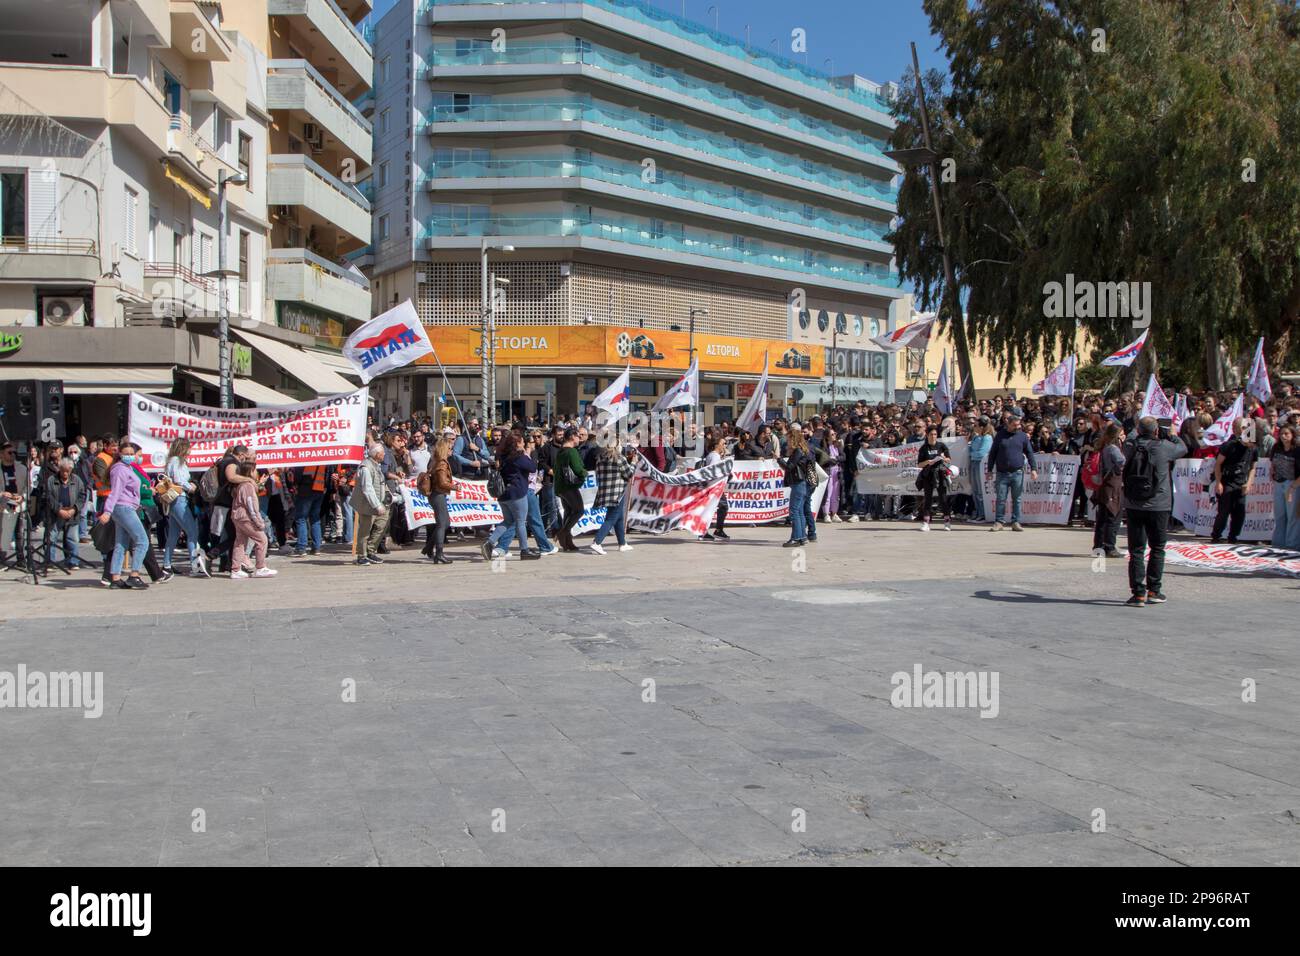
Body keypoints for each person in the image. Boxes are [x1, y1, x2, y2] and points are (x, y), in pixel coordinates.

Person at [1121, 416, 1188, 607]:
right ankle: (1154, 590)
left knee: (1136, 550)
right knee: (1157, 548)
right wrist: (1174, 435)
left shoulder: (1130, 446)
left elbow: (1130, 438)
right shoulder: (1163, 447)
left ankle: (1138, 593)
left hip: (1134, 505)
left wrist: (1135, 429)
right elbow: (1182, 448)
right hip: (1159, 505)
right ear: (1157, 431)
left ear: (1138, 430)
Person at [98, 441, 150, 590]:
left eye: (131, 454)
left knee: (121, 544)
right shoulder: (120, 470)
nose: (130, 456)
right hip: (124, 507)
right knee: (143, 541)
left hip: (125, 507)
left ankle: (115, 578)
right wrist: (107, 511)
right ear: (120, 454)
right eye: (126, 454)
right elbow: (115, 492)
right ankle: (134, 575)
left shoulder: (126, 468)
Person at [483, 431, 536, 560]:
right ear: (518, 444)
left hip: (503, 494)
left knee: (507, 521)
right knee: (520, 522)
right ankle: (524, 550)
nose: (524, 443)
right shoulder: (519, 457)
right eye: (522, 441)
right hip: (517, 493)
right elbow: (532, 467)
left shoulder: (503, 457)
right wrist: (527, 452)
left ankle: (489, 543)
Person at [162, 437, 207, 576]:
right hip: (180, 498)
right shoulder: (177, 461)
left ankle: (167, 564)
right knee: (192, 532)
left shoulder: (170, 461)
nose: (190, 450)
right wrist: (191, 487)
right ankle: (195, 565)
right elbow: (179, 480)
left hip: (173, 500)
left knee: (173, 535)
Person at [1210, 417, 1258, 544]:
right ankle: (1216, 535)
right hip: (1227, 482)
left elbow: (1253, 467)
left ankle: (1233, 537)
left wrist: (1249, 483)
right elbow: (1218, 464)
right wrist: (1219, 482)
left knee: (1240, 514)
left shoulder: (1253, 448)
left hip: (1241, 484)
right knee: (1224, 512)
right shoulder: (1229, 446)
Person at [987, 415, 1038, 531]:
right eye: (1015, 425)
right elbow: (993, 453)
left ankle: (1016, 522)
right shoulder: (1000, 435)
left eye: (1019, 425)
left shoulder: (1022, 436)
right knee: (1001, 499)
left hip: (1017, 473)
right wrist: (989, 470)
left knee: (1017, 499)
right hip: (1002, 473)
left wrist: (1033, 469)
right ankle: (999, 522)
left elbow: (1029, 453)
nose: (1018, 427)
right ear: (1008, 424)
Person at [229, 460, 276, 579]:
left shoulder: (242, 485)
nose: (257, 472)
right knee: (262, 539)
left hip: (238, 517)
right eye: (255, 470)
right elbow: (251, 506)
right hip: (246, 518)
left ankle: (236, 569)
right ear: (250, 471)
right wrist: (259, 522)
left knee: (240, 542)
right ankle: (260, 567)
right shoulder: (247, 486)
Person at [590, 442, 635, 555]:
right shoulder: (619, 458)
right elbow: (629, 474)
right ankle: (597, 542)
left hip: (605, 492)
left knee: (619, 517)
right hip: (617, 493)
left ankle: (622, 543)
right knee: (611, 518)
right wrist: (634, 463)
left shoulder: (599, 458)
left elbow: (597, 475)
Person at [352, 442, 393, 566]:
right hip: (367, 504)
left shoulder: (377, 466)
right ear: (376, 454)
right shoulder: (366, 467)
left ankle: (370, 550)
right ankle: (361, 555)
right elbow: (367, 488)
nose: (384, 454)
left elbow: (381, 483)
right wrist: (377, 505)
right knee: (365, 530)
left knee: (382, 524)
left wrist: (391, 496)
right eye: (382, 453)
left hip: (379, 503)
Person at [1090, 422, 1125, 558]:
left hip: (1105, 486)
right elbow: (1122, 462)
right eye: (1121, 434)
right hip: (1112, 486)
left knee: (1102, 518)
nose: (1124, 436)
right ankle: (1109, 546)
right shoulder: (1113, 448)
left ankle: (1098, 546)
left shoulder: (1104, 447)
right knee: (1112, 517)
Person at [44, 456, 84, 571]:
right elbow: (48, 497)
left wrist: (74, 509)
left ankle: (73, 561)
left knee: (72, 538)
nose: (65, 473)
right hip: (56, 513)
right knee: (51, 537)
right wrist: (59, 510)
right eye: (63, 470)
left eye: (68, 471)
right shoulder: (52, 480)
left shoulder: (77, 480)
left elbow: (82, 496)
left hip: (72, 512)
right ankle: (50, 561)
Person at [419, 436, 454, 563]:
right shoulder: (442, 463)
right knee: (442, 524)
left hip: (436, 495)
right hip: (438, 494)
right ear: (445, 449)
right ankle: (439, 553)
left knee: (446, 523)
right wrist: (455, 487)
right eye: (450, 448)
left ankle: (428, 548)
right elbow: (442, 482)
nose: (452, 451)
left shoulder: (436, 461)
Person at [553, 427, 587, 552]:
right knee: (579, 510)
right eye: (578, 436)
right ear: (572, 437)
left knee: (568, 512)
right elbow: (578, 469)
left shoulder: (561, 451)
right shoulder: (571, 452)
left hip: (560, 487)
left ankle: (567, 542)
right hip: (570, 487)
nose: (580, 438)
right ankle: (563, 533)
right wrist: (585, 473)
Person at [1267, 422, 1300, 550]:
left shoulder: (1297, 450)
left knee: (1293, 516)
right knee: (1279, 515)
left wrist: (1292, 488)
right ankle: (1278, 544)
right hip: (1278, 483)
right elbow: (1272, 463)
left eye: (1286, 434)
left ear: (1292, 435)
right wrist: (1272, 471)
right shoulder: (1276, 447)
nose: (1283, 436)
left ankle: (1292, 544)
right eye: (1281, 434)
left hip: (1293, 484)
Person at [778, 427, 813, 547]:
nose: (787, 442)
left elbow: (789, 467)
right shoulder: (802, 450)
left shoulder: (798, 451)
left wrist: (779, 460)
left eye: (788, 440)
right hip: (800, 483)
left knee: (794, 511)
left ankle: (796, 537)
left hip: (798, 483)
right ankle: (802, 536)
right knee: (799, 511)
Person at [915, 425, 953, 532]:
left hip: (940, 473)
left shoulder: (941, 446)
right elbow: (919, 465)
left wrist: (943, 458)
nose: (933, 436)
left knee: (943, 498)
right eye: (931, 434)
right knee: (928, 498)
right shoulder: (924, 448)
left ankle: (947, 522)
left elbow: (949, 459)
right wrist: (928, 462)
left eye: (935, 434)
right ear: (927, 435)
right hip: (928, 474)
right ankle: (926, 522)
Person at [291, 464, 328, 557]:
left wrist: (293, 482)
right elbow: (328, 474)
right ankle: (316, 548)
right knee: (315, 519)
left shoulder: (306, 457)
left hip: (305, 490)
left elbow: (298, 476)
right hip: (319, 490)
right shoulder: (323, 458)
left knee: (301, 518)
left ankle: (301, 548)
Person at [967, 417, 994, 522]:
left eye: (976, 425)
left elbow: (982, 453)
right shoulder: (976, 437)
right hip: (973, 463)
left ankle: (982, 514)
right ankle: (978, 512)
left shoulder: (987, 438)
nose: (974, 427)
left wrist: (971, 453)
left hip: (980, 464)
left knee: (980, 490)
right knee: (974, 489)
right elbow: (971, 449)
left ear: (982, 427)